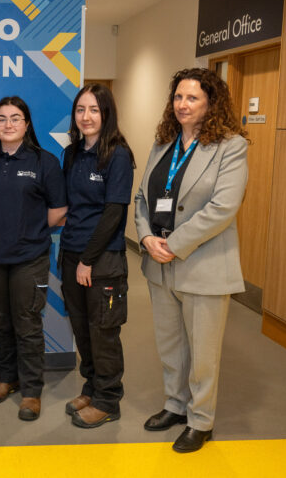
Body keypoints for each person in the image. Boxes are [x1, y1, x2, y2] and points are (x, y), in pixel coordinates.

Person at [135, 68, 248, 453]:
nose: (182, 105)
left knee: (202, 353)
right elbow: (142, 199)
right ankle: (175, 405)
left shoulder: (231, 146)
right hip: (159, 261)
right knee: (171, 346)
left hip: (203, 264)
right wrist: (147, 237)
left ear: (211, 103)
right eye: (178, 97)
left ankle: (201, 420)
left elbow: (223, 207)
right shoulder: (163, 142)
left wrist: (174, 243)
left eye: (193, 98)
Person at [0, 96, 66, 421]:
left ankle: (32, 391)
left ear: (26, 124)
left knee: (27, 323)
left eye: (15, 118)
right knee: (1, 320)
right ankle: (6, 378)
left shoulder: (44, 162)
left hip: (29, 257)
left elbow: (58, 211)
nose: (8, 125)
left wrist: (28, 230)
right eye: (1, 119)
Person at [58, 84, 135, 429]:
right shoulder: (72, 153)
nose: (86, 117)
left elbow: (113, 213)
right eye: (80, 110)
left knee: (103, 331)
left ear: (106, 114)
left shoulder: (117, 154)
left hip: (101, 260)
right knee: (81, 327)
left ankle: (108, 400)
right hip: (71, 253)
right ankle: (91, 387)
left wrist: (88, 259)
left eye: (94, 110)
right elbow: (69, 206)